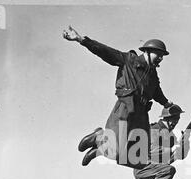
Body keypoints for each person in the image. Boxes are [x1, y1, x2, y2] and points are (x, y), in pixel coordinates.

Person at [62, 26, 179, 168]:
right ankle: (98, 137)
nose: (160, 58)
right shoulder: (129, 60)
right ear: (147, 52)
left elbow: (156, 91)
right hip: (125, 108)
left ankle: (99, 150)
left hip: (141, 114)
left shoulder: (152, 73)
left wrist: (166, 103)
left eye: (162, 56)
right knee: (117, 148)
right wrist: (81, 40)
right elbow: (105, 51)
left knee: (134, 157)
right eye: (158, 54)